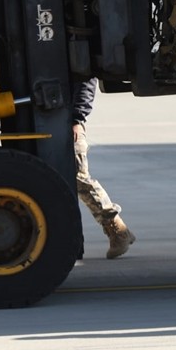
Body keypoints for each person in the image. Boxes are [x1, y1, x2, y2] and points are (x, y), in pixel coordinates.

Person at [72, 77, 136, 258]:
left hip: (70, 126)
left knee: (79, 179)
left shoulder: (76, 61)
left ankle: (117, 230)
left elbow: (86, 83)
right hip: (54, 120)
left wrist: (76, 119)